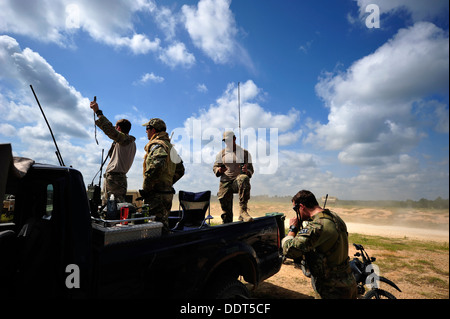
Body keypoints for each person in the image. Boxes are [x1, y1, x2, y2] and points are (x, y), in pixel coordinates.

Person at [282, 190, 357, 299]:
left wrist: (293, 229)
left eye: (296, 209)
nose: (296, 213)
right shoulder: (333, 217)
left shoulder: (318, 226)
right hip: (348, 281)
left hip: (332, 288)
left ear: (302, 206)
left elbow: (289, 250)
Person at [141, 118, 184, 234]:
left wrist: (147, 187)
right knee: (163, 225)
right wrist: (168, 183)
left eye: (147, 129)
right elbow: (181, 169)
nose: (146, 132)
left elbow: (157, 164)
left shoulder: (157, 145)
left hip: (156, 195)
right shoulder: (170, 147)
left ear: (153, 130)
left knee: (154, 228)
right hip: (167, 194)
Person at [90, 100, 136, 204]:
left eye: (116, 127)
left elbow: (110, 131)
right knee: (113, 207)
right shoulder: (128, 142)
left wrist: (98, 112)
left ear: (118, 128)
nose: (115, 128)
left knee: (112, 209)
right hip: (117, 179)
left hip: (115, 179)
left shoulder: (125, 140)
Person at [213, 131, 254, 223]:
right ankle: (227, 222)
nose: (227, 142)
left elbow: (251, 170)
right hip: (225, 181)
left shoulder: (244, 153)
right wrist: (219, 170)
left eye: (229, 140)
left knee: (244, 178)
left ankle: (243, 211)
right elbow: (215, 167)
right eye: (225, 141)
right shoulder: (221, 154)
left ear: (234, 139)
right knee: (226, 211)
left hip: (238, 181)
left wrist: (247, 171)